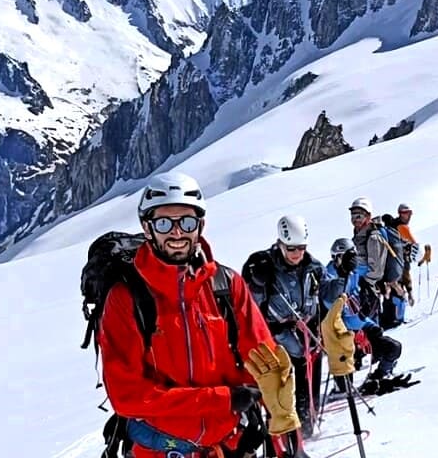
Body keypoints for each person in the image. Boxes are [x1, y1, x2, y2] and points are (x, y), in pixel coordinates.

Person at [96, 172, 306, 458]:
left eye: (187, 221)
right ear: (147, 228)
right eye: (163, 223)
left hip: (230, 446)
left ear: (200, 225)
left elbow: (264, 362)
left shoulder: (226, 286)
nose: (177, 232)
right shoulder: (127, 297)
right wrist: (225, 399)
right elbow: (128, 396)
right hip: (161, 450)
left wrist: (284, 423)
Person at [241, 215, 326, 438]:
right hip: (277, 340)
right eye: (290, 248)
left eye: (301, 247)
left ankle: (307, 422)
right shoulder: (264, 266)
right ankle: (287, 433)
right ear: (280, 244)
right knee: (284, 388)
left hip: (307, 335)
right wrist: (256, 282)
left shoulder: (314, 267)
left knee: (309, 381)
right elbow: (249, 307)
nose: (297, 253)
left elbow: (324, 299)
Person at [320, 237, 402, 392]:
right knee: (345, 377)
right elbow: (335, 311)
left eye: (353, 256)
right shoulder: (330, 276)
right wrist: (362, 318)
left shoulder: (355, 271)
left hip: (359, 324)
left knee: (393, 348)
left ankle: (380, 375)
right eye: (348, 256)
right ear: (337, 257)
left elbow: (376, 271)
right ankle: (341, 388)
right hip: (340, 333)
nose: (352, 260)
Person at [392, 203, 433, 303]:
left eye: (410, 213)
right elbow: (415, 246)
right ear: (400, 213)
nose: (409, 216)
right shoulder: (402, 227)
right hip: (398, 265)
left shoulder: (395, 226)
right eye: (406, 213)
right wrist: (423, 257)